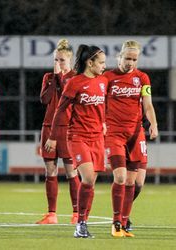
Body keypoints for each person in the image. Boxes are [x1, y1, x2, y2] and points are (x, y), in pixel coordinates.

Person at [45, 44, 107, 238]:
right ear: (90, 63)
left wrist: (104, 122)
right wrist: (53, 138)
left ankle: (83, 222)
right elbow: (60, 111)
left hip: (97, 137)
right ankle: (80, 224)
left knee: (91, 183)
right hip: (78, 136)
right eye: (101, 62)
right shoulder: (75, 82)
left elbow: (102, 107)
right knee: (87, 178)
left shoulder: (103, 81)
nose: (104, 66)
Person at [104, 40, 158, 237]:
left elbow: (148, 104)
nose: (130, 63)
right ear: (119, 56)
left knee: (135, 183)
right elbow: (99, 104)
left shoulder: (142, 78)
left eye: (134, 59)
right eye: (127, 58)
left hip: (135, 134)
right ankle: (117, 222)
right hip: (114, 133)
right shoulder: (108, 78)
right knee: (120, 177)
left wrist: (153, 123)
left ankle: (124, 221)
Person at [36, 39, 80, 225]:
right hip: (48, 127)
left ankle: (77, 213)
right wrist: (54, 79)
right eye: (55, 60)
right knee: (50, 171)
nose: (58, 64)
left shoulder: (75, 77)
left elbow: (67, 99)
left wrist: (61, 78)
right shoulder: (49, 77)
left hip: (67, 128)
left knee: (71, 172)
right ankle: (51, 214)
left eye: (61, 60)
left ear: (69, 60)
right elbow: (44, 100)